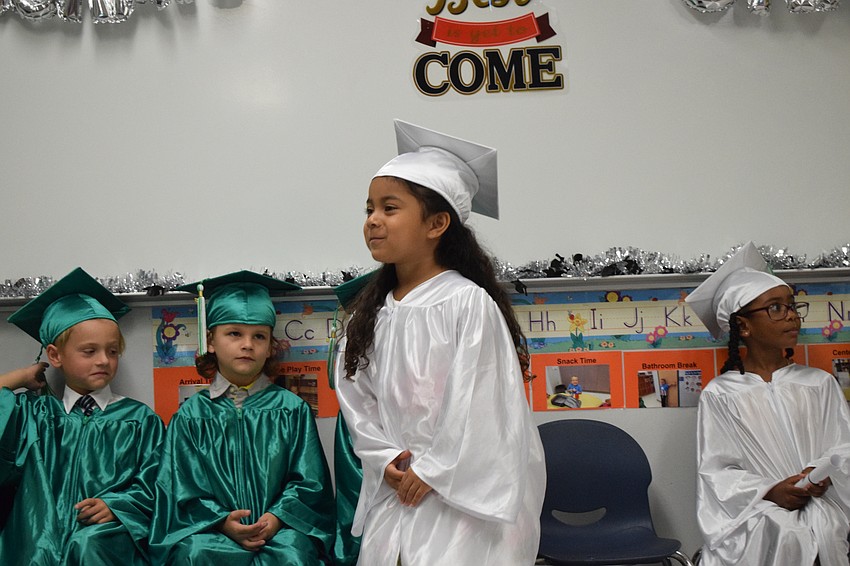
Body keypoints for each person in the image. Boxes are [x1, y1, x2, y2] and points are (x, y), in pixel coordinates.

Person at [335, 120, 546, 565]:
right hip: (397, 487)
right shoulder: (368, 313)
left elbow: (483, 403)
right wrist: (386, 456)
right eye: (368, 208)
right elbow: (356, 399)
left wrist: (434, 470)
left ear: (436, 223)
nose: (373, 220)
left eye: (390, 208)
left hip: (461, 500)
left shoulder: (467, 303)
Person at [149, 271, 335, 565]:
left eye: (259, 336)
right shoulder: (191, 415)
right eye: (234, 333)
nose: (247, 344)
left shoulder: (291, 409)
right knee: (193, 554)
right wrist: (221, 521)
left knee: (295, 555)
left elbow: (310, 483)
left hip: (279, 530)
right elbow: (179, 488)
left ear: (270, 346)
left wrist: (275, 518)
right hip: (212, 530)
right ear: (211, 340)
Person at [686, 242, 850, 566]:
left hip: (820, 501)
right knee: (783, 531)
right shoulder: (721, 395)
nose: (791, 315)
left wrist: (821, 472)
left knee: (822, 530)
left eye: (792, 305)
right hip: (755, 508)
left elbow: (843, 447)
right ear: (743, 326)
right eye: (775, 308)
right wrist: (771, 490)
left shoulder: (819, 384)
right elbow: (717, 473)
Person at [0, 267, 165, 565]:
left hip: (103, 549)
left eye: (112, 351)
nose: (103, 360)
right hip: (37, 545)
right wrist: (21, 377)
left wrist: (118, 505)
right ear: (55, 356)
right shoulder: (34, 415)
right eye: (89, 351)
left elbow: (158, 481)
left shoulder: (139, 420)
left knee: (88, 545)